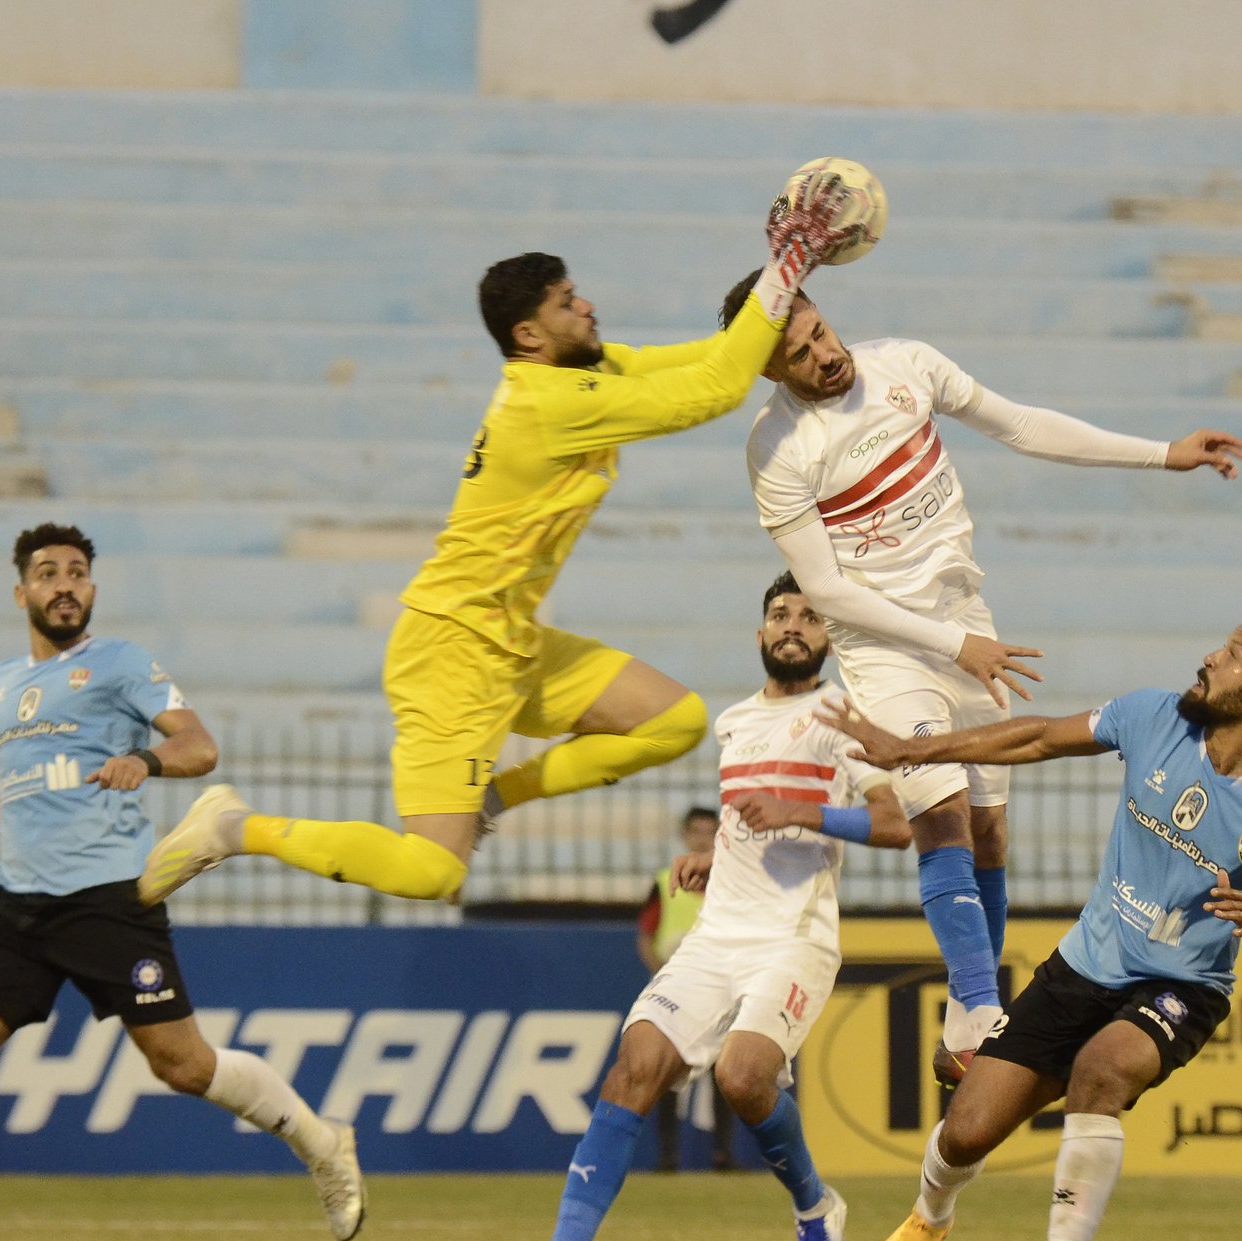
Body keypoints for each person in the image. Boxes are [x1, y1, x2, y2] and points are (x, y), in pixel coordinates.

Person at [136, 178, 864, 911]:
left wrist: (786, 299)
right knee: (431, 873)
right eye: (566, 302)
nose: (586, 306)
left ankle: (496, 795)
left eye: (577, 292)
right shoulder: (547, 404)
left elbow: (709, 358)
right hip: (451, 653)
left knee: (671, 720)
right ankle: (235, 826)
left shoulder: (587, 371)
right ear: (530, 336)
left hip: (508, 639)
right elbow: (711, 390)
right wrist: (789, 260)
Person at [716, 275, 1242, 1086]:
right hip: (890, 649)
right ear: (766, 370)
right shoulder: (777, 448)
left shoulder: (905, 364)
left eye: (822, 332)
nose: (825, 354)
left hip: (969, 620)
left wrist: (1165, 453)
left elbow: (1023, 426)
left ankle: (965, 1017)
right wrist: (950, 643)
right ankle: (977, 1008)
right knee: (944, 817)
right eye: (800, 352)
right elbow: (825, 591)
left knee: (994, 833)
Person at [0, 524, 365, 1241]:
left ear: (93, 590)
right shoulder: (3, 682)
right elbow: (15, 774)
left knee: (183, 1065)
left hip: (108, 900)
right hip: (19, 905)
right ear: (22, 594)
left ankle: (322, 1143)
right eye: (48, 573)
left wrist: (144, 759)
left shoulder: (120, 664)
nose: (64, 584)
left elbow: (201, 747)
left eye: (77, 572)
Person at [820, 622, 1242, 1241]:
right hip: (1086, 964)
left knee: (1103, 1070)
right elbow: (1035, 737)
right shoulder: (1153, 715)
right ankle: (931, 1213)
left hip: (1184, 985)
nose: (1209, 656)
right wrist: (912, 749)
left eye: (1232, 655)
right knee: (964, 1134)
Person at [479, 572, 912, 1241]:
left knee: (744, 1078)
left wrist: (800, 811)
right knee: (635, 1065)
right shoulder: (734, 722)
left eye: (809, 617)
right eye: (780, 614)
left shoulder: (847, 715)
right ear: (759, 633)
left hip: (793, 937)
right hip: (719, 934)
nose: (792, 626)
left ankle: (816, 1209)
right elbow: (751, 820)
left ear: (828, 638)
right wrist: (720, 857)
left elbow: (895, 824)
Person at [635, 805, 736, 1171]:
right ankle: (668, 1155)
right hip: (674, 995)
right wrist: (664, 978)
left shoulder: (730, 884)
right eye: (696, 831)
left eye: (710, 832)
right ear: (684, 836)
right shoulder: (666, 883)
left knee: (724, 1076)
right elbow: (647, 936)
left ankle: (722, 1153)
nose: (702, 839)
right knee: (666, 1077)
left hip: (722, 995)